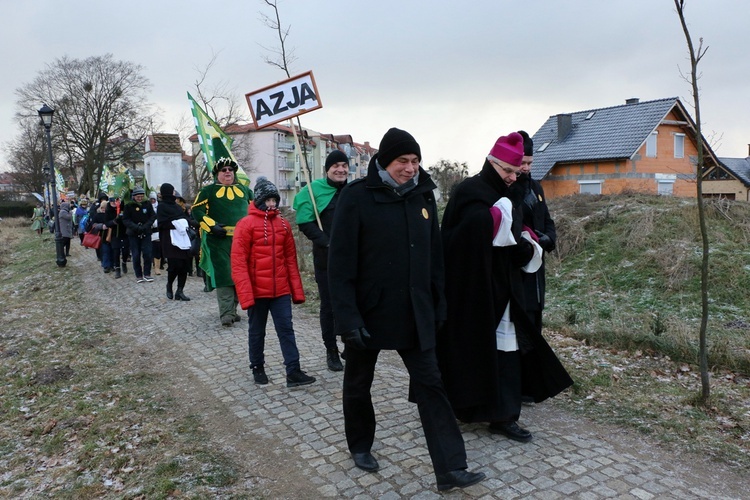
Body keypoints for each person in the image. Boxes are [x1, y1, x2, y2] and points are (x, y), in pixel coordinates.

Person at [328, 128, 485, 492]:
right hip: (369, 313)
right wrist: (347, 319)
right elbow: (340, 267)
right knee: (358, 384)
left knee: (432, 384)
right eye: (403, 161)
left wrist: (439, 305)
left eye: (415, 161)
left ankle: (450, 468)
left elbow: (435, 260)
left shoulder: (423, 196)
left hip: (415, 312)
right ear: (385, 161)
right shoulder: (356, 198)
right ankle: (360, 444)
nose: (411, 168)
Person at [438, 132, 573, 443]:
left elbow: (515, 233)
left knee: (508, 352)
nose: (513, 177)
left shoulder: (510, 193)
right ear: (491, 162)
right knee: (469, 350)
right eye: (507, 171)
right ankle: (466, 408)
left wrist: (526, 245)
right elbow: (454, 240)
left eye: (516, 171)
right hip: (471, 290)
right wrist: (491, 220)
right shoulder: (469, 190)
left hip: (504, 288)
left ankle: (504, 416)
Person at [231, 177, 315, 388]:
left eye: (274, 200)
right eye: (268, 200)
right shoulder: (245, 225)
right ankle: (257, 366)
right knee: (257, 331)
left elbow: (290, 261)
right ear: (259, 201)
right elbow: (238, 263)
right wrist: (246, 295)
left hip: (280, 291)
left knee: (286, 329)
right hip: (257, 291)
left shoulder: (284, 225)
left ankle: (293, 371)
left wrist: (297, 292)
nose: (272, 204)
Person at [292, 149, 349, 371]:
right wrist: (327, 242)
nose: (341, 169)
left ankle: (349, 344)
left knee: (352, 302)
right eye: (336, 166)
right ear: (328, 169)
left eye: (344, 165)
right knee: (329, 306)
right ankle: (331, 351)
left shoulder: (353, 191)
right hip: (326, 258)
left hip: (352, 258)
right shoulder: (314, 191)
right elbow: (305, 222)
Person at [192, 138, 252, 326]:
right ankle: (226, 313)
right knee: (224, 274)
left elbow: (254, 212)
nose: (227, 172)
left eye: (230, 170)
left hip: (242, 241)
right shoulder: (208, 191)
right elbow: (197, 210)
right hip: (218, 240)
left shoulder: (244, 190)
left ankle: (233, 309)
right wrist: (211, 226)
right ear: (217, 173)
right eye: (223, 170)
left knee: (239, 273)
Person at [157, 183, 197, 301]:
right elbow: (162, 224)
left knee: (184, 265)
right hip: (170, 240)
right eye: (173, 191)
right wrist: (176, 224)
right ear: (169, 192)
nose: (174, 193)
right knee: (174, 265)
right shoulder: (161, 206)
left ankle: (180, 291)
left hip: (182, 239)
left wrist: (192, 223)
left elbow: (186, 219)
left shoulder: (177, 207)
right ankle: (169, 285)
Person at [122, 186, 157, 283]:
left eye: (141, 196)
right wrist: (136, 227)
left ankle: (147, 274)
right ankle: (138, 275)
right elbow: (125, 219)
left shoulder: (147, 204)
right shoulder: (129, 206)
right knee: (136, 255)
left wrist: (146, 226)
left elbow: (153, 216)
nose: (140, 198)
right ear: (134, 196)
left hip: (146, 232)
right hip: (133, 233)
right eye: (138, 197)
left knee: (147, 253)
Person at [149, 192, 163, 275]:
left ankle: (157, 267)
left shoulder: (159, 207)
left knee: (157, 248)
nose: (152, 201)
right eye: (151, 199)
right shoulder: (147, 207)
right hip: (149, 230)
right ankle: (149, 264)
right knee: (149, 249)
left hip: (157, 230)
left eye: (154, 199)